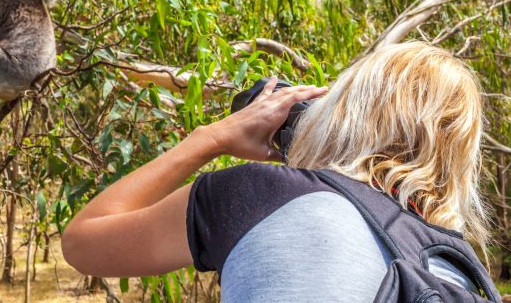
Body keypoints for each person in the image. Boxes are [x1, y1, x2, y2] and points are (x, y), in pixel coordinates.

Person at [61, 41, 492, 301]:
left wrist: (212, 137)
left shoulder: (261, 194)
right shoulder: (464, 269)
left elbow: (84, 243)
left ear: (351, 110)